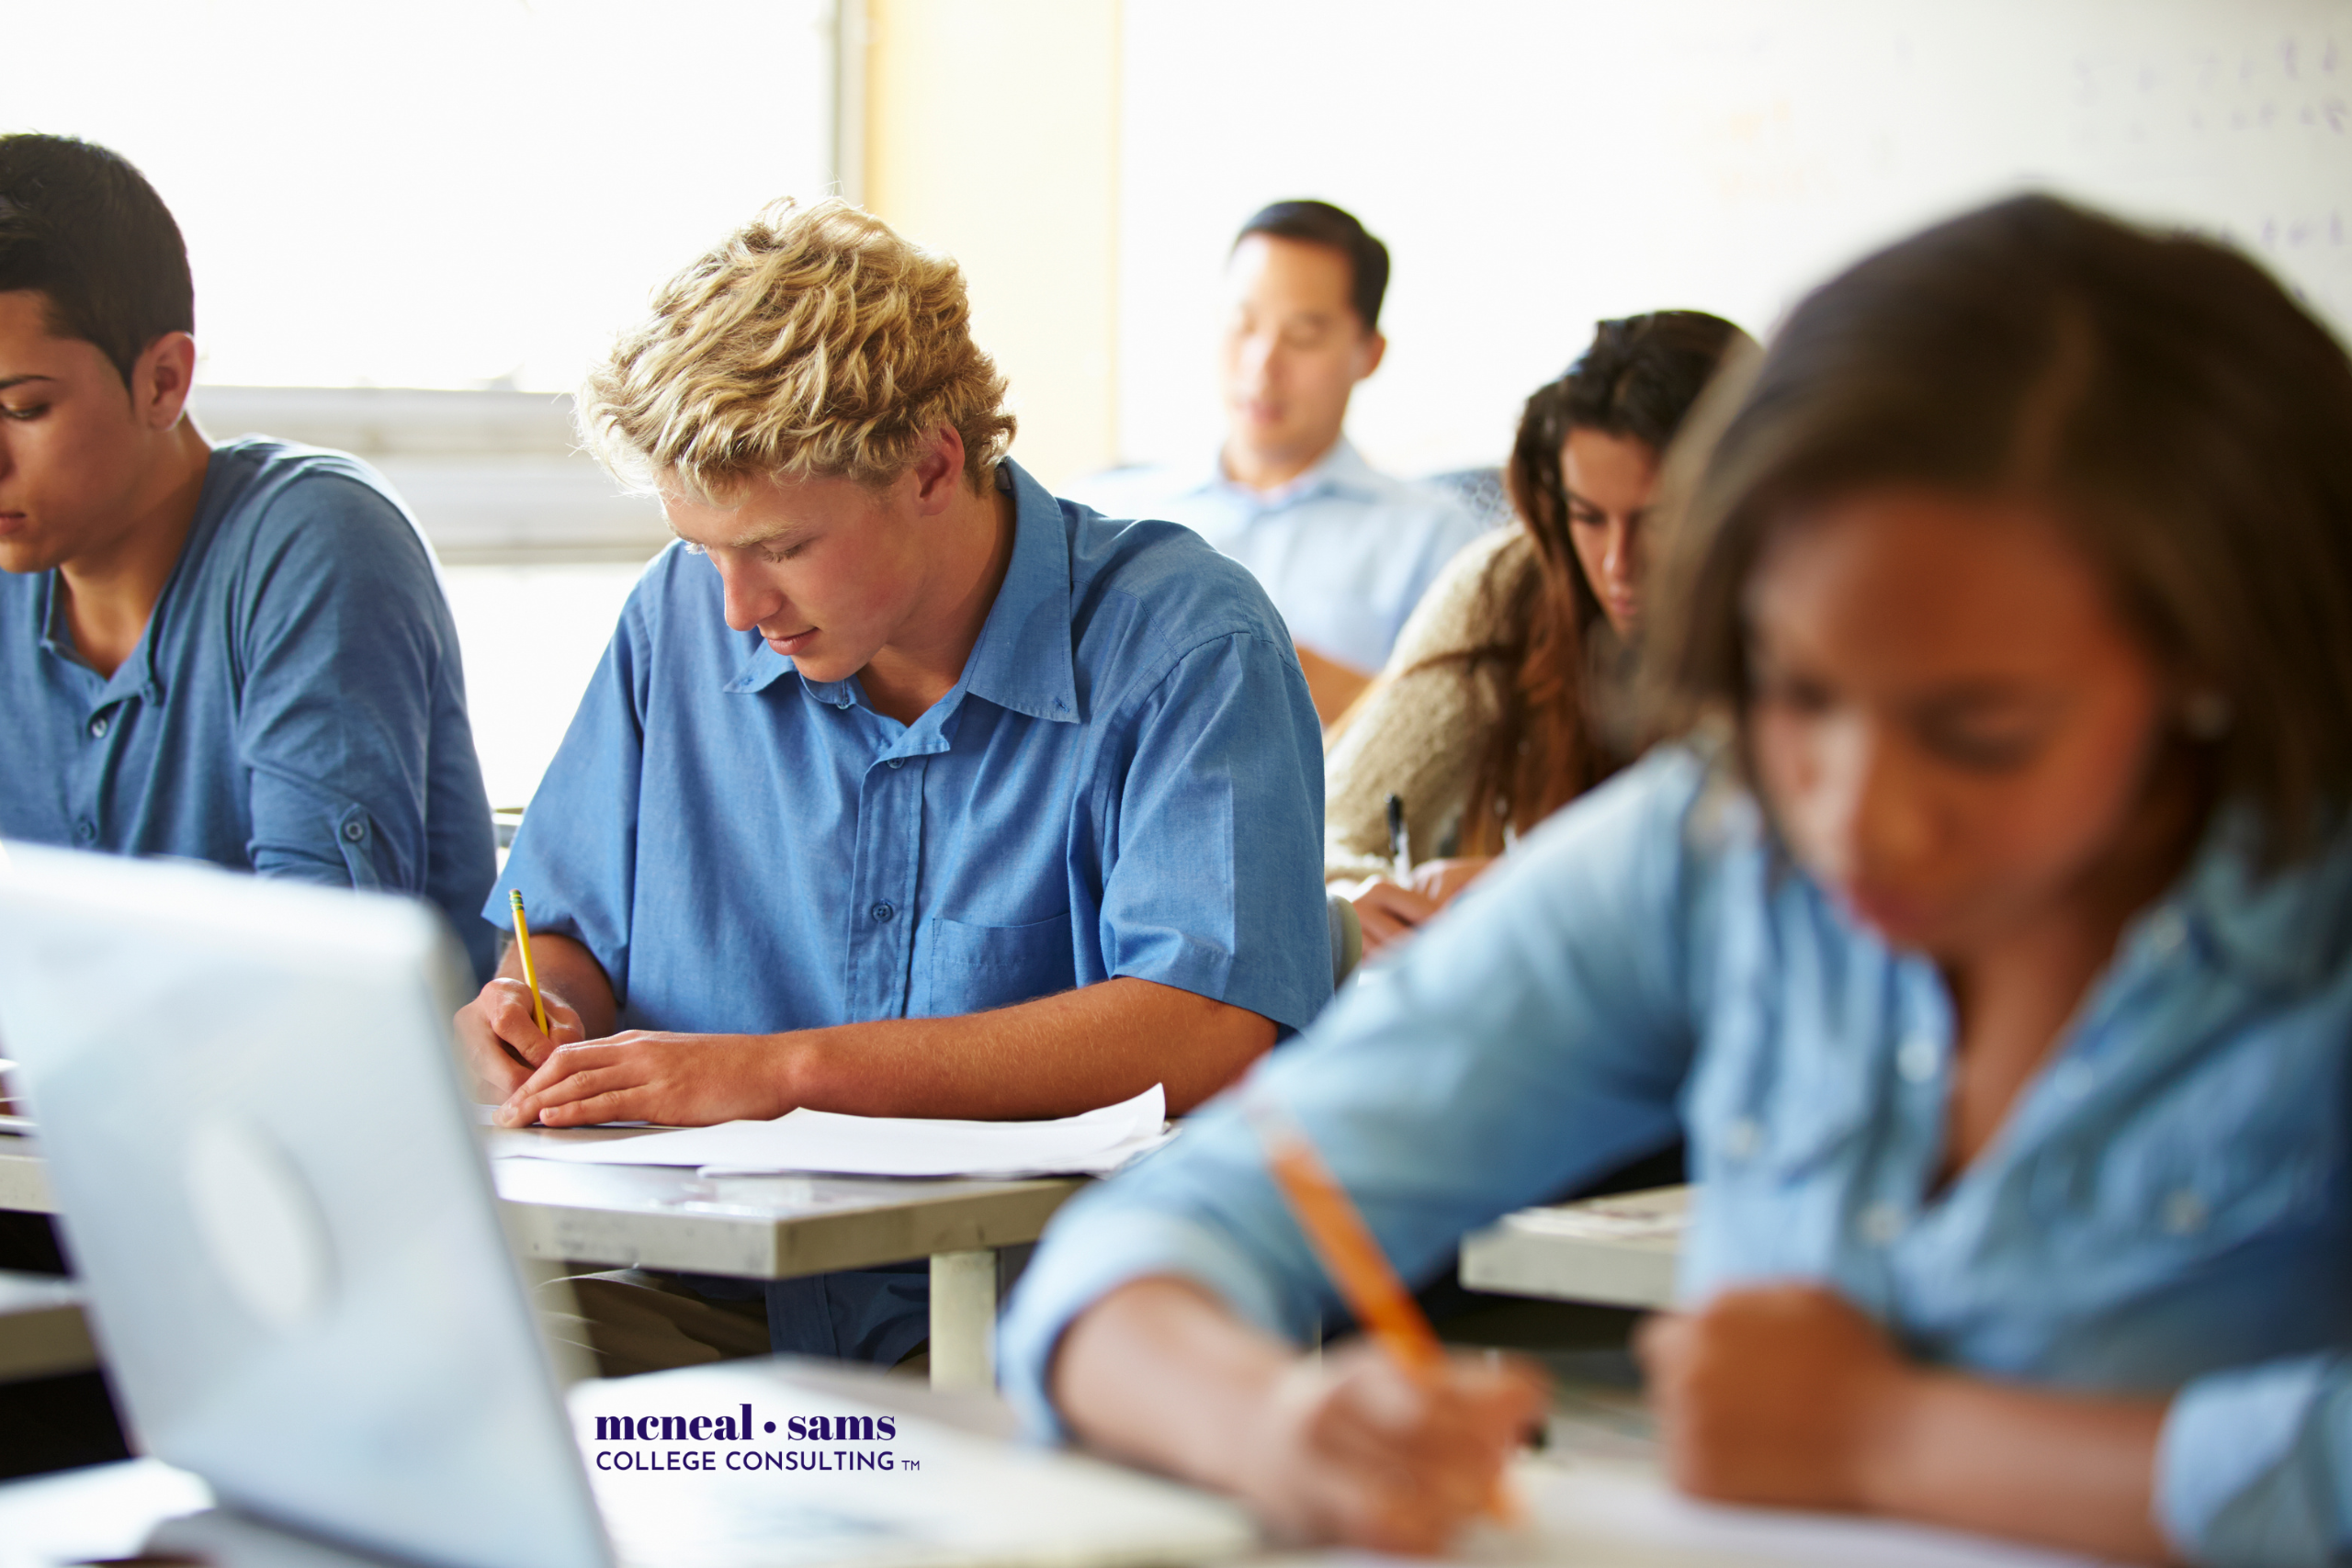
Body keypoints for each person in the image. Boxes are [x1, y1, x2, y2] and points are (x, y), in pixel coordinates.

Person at [1001, 194, 2352, 1564]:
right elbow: (1146, 1247)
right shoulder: (1717, 847)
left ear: (2211, 664)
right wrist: (1278, 1426)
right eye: (1797, 693)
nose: (1857, 815)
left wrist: (1888, 1437)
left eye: (1977, 730)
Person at [460, 197, 1331, 1368]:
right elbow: (564, 935)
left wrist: (782, 1075)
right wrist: (536, 1011)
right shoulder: (677, 622)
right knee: (415, 1384)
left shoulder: (1185, 646)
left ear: (932, 466)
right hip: (712, 1302)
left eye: (779, 548)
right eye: (703, 548)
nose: (736, 607)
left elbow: (1206, 1025)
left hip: (1046, 1324)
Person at [0, 134, 497, 977]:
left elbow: (323, 981)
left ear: (163, 381)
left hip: (328, 1104)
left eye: (24, 406)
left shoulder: (315, 546)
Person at [1330, 312, 1749, 957]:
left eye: (1659, 519)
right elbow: (1331, 827)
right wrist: (1359, 901)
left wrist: (1539, 893)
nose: (1618, 564)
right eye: (1588, 517)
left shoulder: (1814, 629)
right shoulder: (1504, 588)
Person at [1068, 200, 1488, 725]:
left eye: (1304, 335)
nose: (1263, 364)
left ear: (1369, 353)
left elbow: (1473, 741)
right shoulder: (1107, 514)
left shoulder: (1438, 542)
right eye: (1243, 324)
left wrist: (1282, 670)